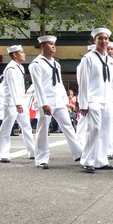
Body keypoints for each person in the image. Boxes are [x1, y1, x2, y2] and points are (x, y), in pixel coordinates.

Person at [29, 35, 84, 169]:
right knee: (42, 130)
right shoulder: (36, 64)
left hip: (58, 101)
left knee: (68, 126)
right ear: (43, 46)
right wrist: (43, 104)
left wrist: (65, 100)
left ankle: (79, 153)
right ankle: (41, 159)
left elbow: (59, 84)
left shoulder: (56, 63)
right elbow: (38, 86)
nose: (53, 46)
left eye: (54, 44)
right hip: (46, 101)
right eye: (50, 44)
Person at [77, 27, 113, 172]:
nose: (104, 41)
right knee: (94, 130)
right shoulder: (88, 58)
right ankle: (87, 160)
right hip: (93, 100)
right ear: (94, 40)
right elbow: (83, 82)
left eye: (106, 38)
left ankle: (101, 160)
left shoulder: (111, 61)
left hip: (108, 100)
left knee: (105, 131)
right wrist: (83, 103)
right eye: (100, 38)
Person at [0, 45, 36, 163]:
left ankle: (32, 151)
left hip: (20, 100)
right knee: (6, 128)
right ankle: (1, 153)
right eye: (21, 52)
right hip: (12, 102)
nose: (24, 54)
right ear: (14, 55)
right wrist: (17, 103)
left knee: (26, 127)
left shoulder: (20, 67)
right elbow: (12, 87)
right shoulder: (11, 68)